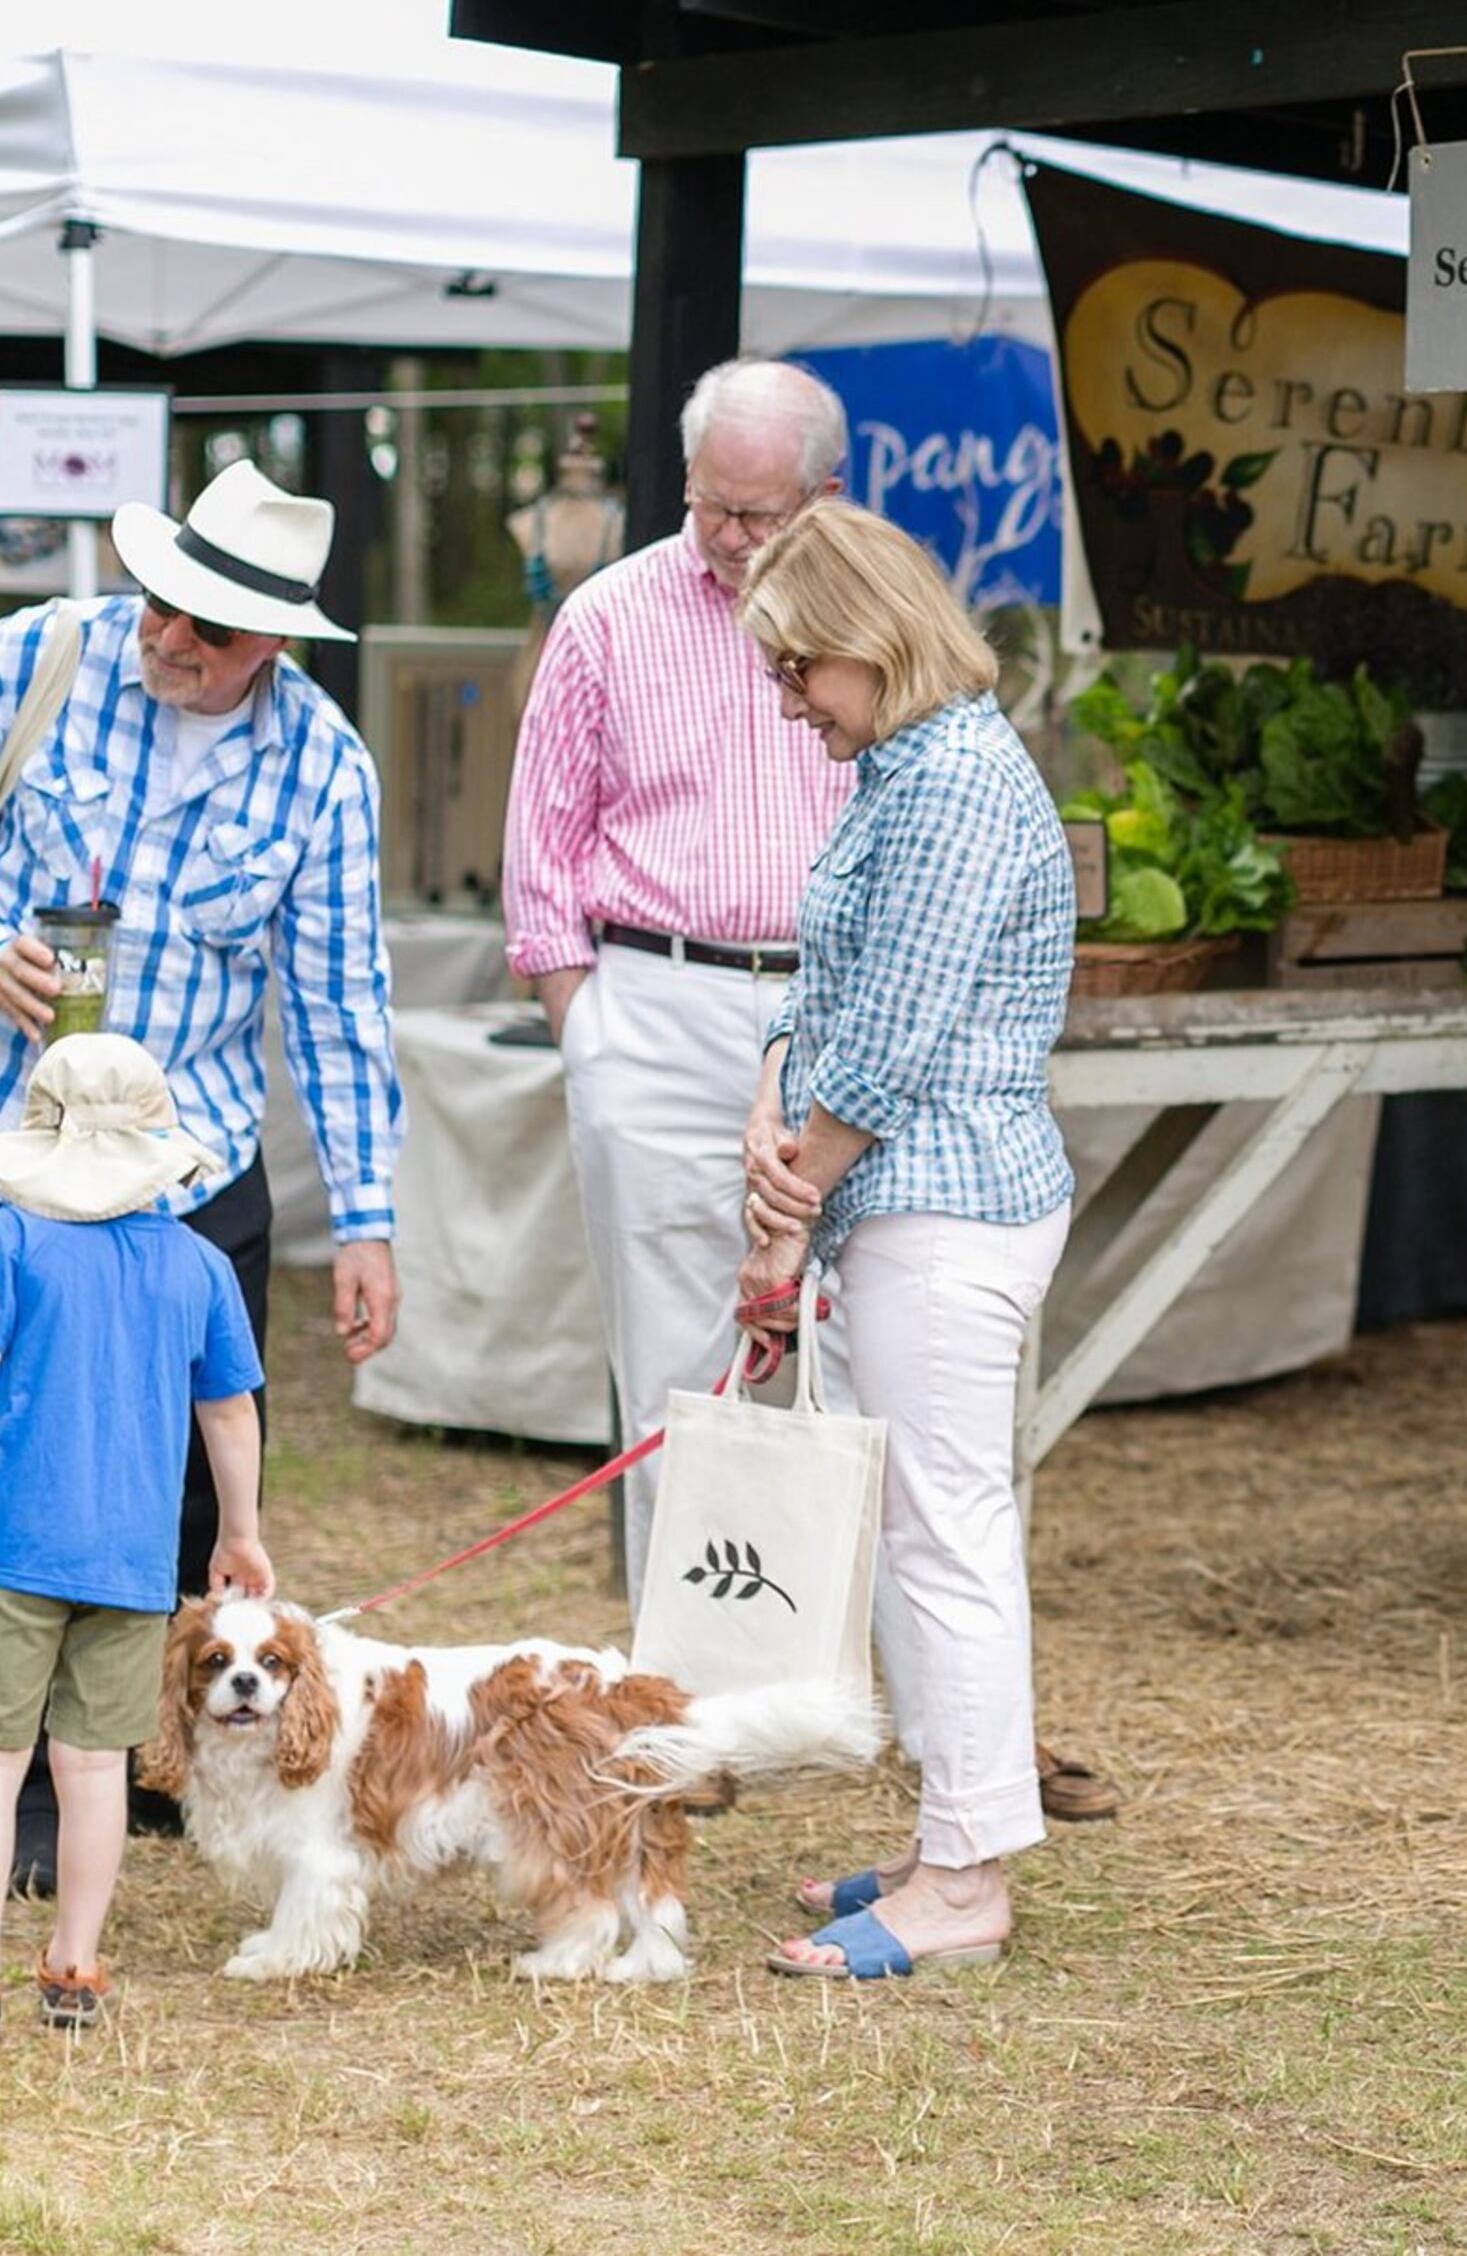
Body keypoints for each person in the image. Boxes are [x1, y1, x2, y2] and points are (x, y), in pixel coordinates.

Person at [0, 459, 399, 1884]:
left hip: (189, 1167)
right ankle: (30, 1777)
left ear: (273, 642)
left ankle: (153, 1756)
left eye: (207, 627)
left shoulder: (324, 766)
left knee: (194, 1485)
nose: (167, 634)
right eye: (160, 599)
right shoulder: (29, 658)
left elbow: (340, 1003)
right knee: (6, 1466)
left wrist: (367, 1218)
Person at [730, 501, 1076, 1982]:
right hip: (897, 1199)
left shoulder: (954, 786)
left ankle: (968, 1878)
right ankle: (948, 1836)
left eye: (799, 668)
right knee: (914, 1532)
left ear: (871, 640)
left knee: (947, 1538)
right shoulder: (904, 771)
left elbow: (886, 1043)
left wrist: (785, 1208)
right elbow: (824, 988)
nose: (789, 702)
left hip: (947, 1204)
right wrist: (770, 1094)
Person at [502, 358, 855, 1602]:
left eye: (760, 512)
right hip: (655, 1000)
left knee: (853, 1342)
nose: (731, 535)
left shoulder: (879, 613)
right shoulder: (608, 613)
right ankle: (687, 1667)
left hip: (841, 1008)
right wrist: (585, 1027)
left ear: (825, 494)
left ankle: (824, 1641)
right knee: (670, 1368)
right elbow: (540, 847)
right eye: (712, 503)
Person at [0, 1033, 271, 2049]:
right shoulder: (198, 1263)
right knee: (97, 1765)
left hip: (13, 1547)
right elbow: (229, 1409)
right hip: (133, 1560)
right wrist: (239, 1530)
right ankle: (75, 1965)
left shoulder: (12, 1238)